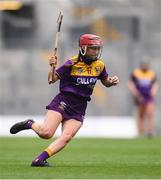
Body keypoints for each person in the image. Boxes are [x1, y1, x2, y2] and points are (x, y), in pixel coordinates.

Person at [10, 34, 119, 167]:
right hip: (63, 101)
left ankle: (39, 160)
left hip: (80, 107)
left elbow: (105, 82)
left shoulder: (100, 65)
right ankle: (29, 123)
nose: (96, 51)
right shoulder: (71, 63)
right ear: (83, 48)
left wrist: (111, 82)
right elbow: (51, 80)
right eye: (93, 48)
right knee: (46, 133)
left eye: (97, 48)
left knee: (66, 137)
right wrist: (53, 66)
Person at [128, 59, 158, 138]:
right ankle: (140, 131)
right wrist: (136, 93)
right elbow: (131, 84)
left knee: (149, 113)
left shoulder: (151, 73)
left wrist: (153, 91)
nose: (145, 66)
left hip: (148, 97)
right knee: (140, 114)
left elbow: (155, 84)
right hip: (139, 96)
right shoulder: (136, 73)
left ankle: (150, 131)